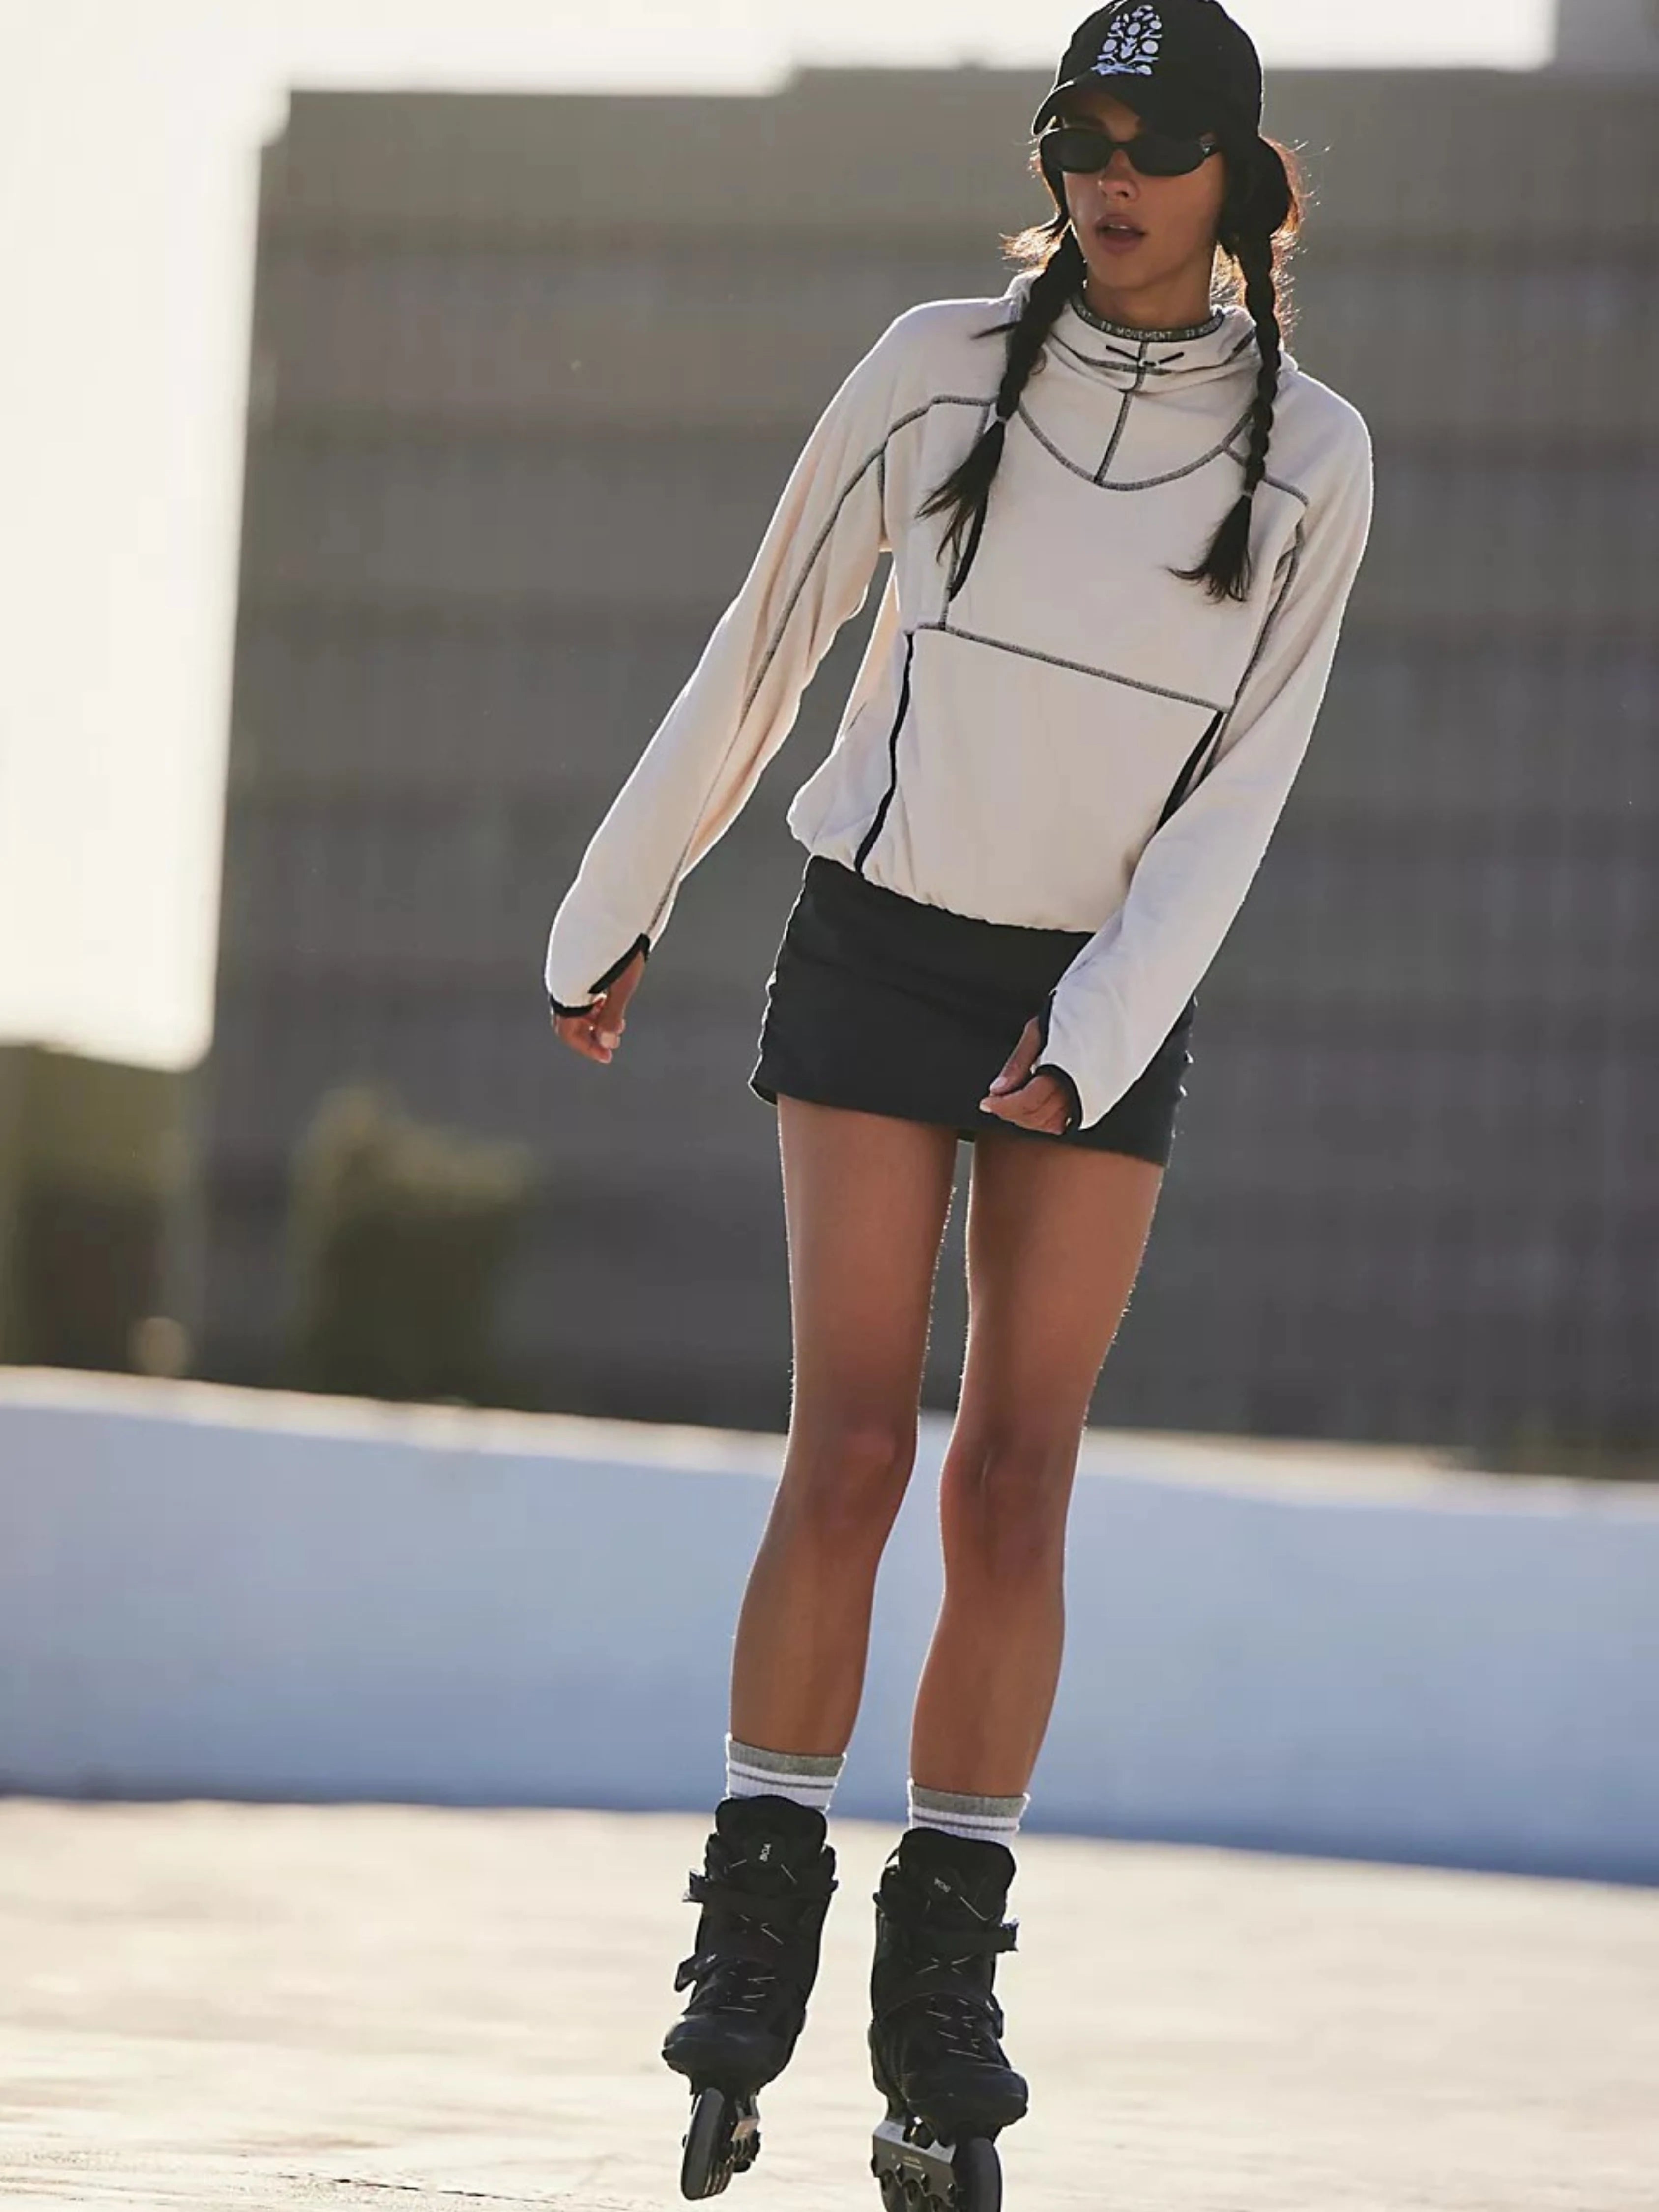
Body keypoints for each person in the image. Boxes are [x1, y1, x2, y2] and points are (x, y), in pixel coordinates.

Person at [544, 3, 1374, 2201]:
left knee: (1015, 1481)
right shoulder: (931, 363)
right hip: (879, 948)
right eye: (1077, 137)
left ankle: (943, 2003)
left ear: (1238, 173)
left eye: (1154, 141)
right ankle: (749, 1948)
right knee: (846, 1447)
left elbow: (1241, 793)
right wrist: (618, 900)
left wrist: (1097, 1024)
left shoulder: (1317, 458)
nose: (1109, 177)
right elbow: (770, 637)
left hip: (1100, 993)